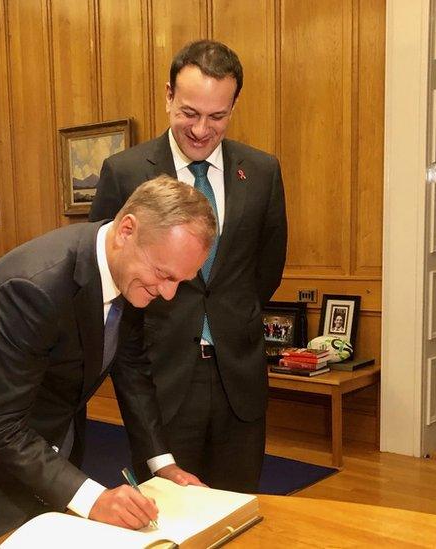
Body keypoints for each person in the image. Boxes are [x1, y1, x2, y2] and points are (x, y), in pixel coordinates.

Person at [0, 175, 217, 548]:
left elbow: (132, 370)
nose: (169, 294)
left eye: (181, 280)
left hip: (46, 438)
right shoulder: (32, 287)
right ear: (127, 230)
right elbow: (0, 425)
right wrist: (94, 499)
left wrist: (163, 463)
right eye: (163, 275)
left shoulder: (133, 271)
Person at [89, 40, 288, 493]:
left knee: (238, 507)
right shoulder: (124, 172)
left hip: (238, 378)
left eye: (217, 117)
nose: (201, 130)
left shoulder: (261, 172)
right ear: (167, 96)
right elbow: (109, 271)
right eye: (188, 112)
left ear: (234, 106)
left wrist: (231, 321)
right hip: (159, 378)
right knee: (167, 512)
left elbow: (266, 271)